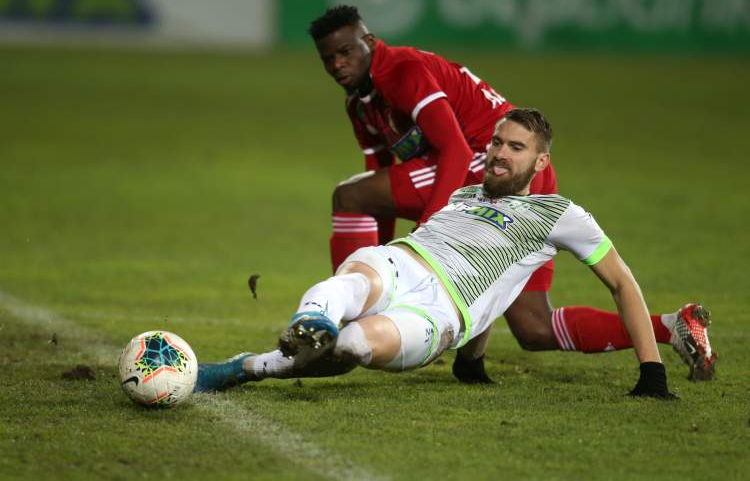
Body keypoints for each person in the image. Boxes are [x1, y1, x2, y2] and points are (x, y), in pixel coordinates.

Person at [308, 6, 716, 382]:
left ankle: (341, 311)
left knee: (348, 197)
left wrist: (428, 229)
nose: (338, 64)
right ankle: (672, 326)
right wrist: (382, 263)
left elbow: (454, 149)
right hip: (506, 172)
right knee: (533, 327)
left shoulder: (402, 71)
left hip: (495, 164)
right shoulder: (360, 103)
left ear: (371, 42)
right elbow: (380, 180)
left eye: (346, 52)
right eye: (328, 58)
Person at [197, 108, 712, 397]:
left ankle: (248, 366)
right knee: (353, 281)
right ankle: (309, 323)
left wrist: (652, 371)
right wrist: (474, 360)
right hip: (402, 262)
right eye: (497, 143)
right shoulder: (465, 195)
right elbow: (496, 281)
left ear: (541, 162)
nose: (499, 153)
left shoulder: (560, 215)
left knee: (352, 346)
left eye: (515, 148)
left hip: (443, 310)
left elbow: (621, 282)